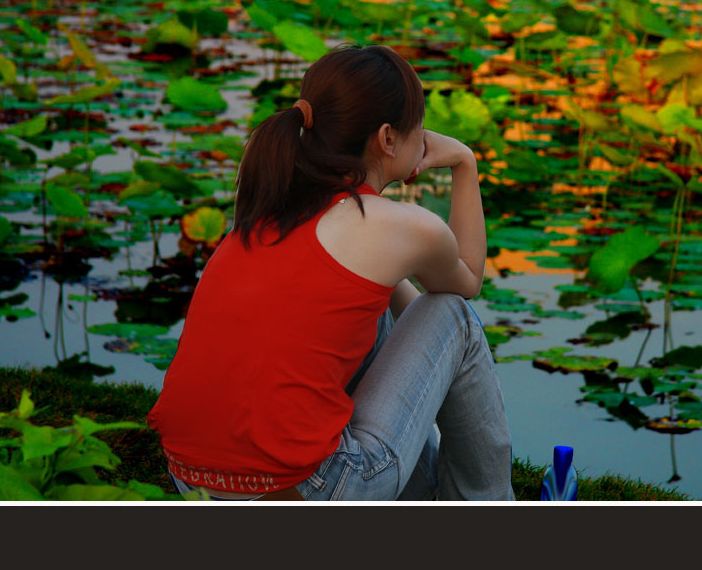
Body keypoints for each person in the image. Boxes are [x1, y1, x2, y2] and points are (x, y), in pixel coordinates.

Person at [147, 44, 514, 501]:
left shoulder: (273, 203)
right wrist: (465, 163)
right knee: (453, 318)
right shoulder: (404, 226)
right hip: (307, 489)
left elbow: (372, 296)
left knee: (372, 306)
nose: (425, 135)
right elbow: (465, 284)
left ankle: (419, 498)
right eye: (418, 124)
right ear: (387, 138)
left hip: (191, 476)